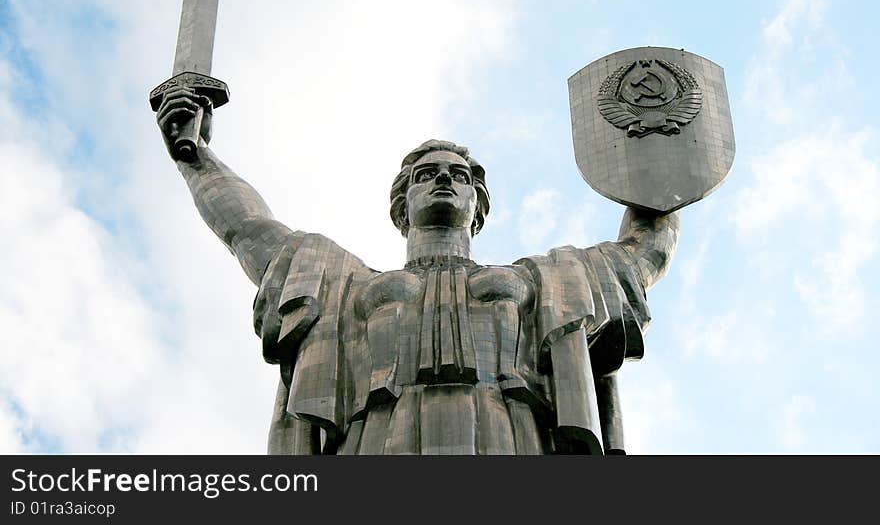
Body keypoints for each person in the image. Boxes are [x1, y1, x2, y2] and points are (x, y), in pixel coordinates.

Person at [156, 86, 680, 454]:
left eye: (459, 176)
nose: (444, 181)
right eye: (427, 175)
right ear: (402, 203)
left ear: (479, 203)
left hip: (511, 434)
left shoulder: (541, 281)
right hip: (378, 439)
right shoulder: (344, 285)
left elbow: (641, 251)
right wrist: (195, 156)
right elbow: (250, 230)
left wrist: (663, 159)